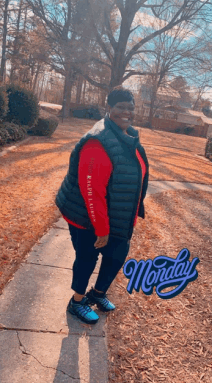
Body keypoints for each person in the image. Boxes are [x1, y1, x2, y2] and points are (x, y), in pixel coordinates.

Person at [55, 86, 149, 324]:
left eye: (130, 107)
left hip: (116, 213)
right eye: (120, 107)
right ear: (109, 107)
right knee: (87, 257)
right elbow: (92, 191)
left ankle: (97, 294)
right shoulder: (98, 142)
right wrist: (102, 229)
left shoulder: (128, 135)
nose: (126, 112)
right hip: (86, 215)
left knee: (117, 254)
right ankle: (76, 302)